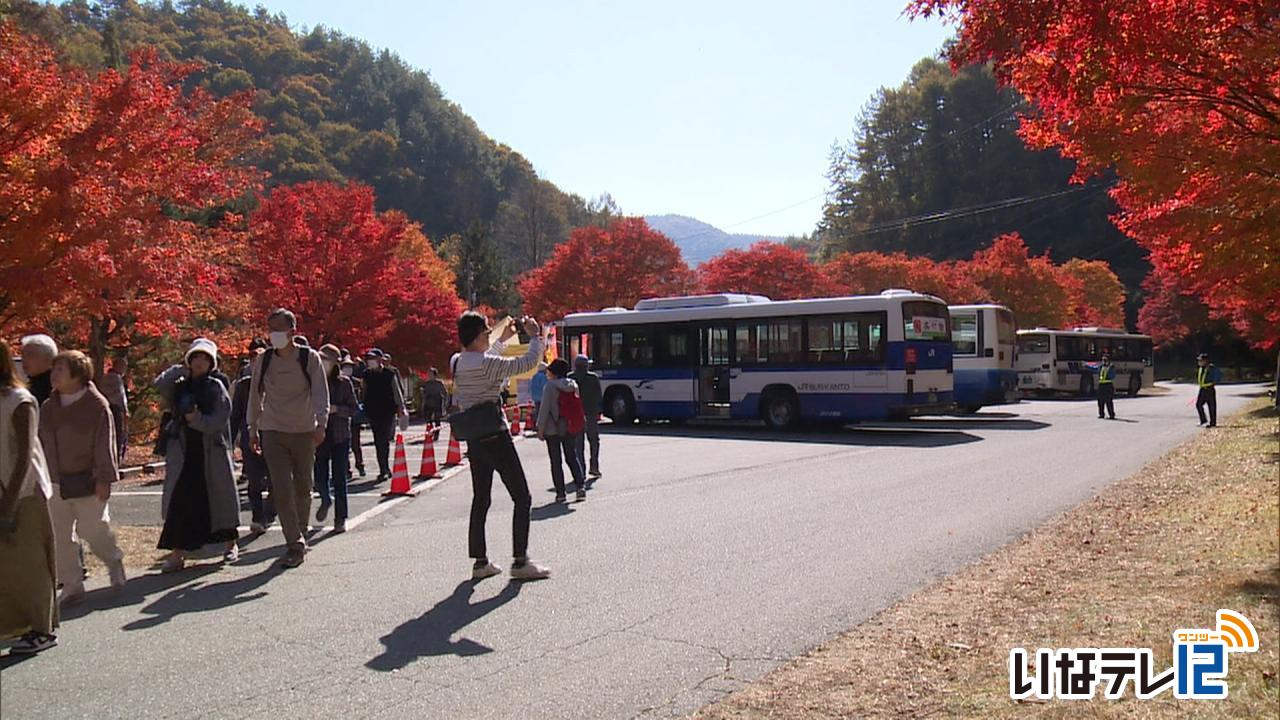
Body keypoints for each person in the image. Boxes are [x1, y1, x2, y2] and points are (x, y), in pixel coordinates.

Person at [451, 313, 550, 581]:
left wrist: (503, 340)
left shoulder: (457, 362)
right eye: (485, 332)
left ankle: (480, 561)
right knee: (522, 496)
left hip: (474, 436)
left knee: (481, 498)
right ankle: (520, 561)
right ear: (476, 336)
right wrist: (534, 335)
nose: (488, 335)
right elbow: (528, 363)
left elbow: (485, 358)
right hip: (496, 434)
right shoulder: (488, 364)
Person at [38, 350, 125, 604]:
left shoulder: (96, 405)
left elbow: (104, 444)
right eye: (54, 370)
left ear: (77, 374)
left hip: (88, 479)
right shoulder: (48, 406)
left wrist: (104, 478)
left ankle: (113, 559)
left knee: (93, 529)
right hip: (55, 480)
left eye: (60, 370)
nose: (54, 375)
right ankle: (72, 583)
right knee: (60, 535)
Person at [247, 309, 329, 569]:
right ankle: (294, 543)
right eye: (270, 329)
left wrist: (321, 423)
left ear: (292, 331)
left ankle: (300, 533)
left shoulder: (308, 358)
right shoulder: (265, 360)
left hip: (304, 430)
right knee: (281, 488)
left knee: (304, 486)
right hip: (272, 430)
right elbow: (255, 393)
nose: (274, 334)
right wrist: (252, 427)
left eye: (278, 329)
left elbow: (319, 392)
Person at [153, 339, 241, 571]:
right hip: (183, 451)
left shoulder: (215, 386)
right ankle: (177, 553)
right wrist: (182, 368)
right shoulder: (181, 385)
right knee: (180, 503)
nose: (200, 362)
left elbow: (220, 419)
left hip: (211, 451)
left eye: (205, 358)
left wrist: (198, 420)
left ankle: (230, 545)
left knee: (219, 500)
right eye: (195, 357)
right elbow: (160, 384)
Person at [0, 339, 59, 654]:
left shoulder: (19, 401)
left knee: (30, 563)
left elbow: (24, 455)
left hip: (23, 493)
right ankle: (12, 626)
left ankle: (41, 629)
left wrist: (8, 505)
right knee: (6, 565)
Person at [314, 345, 359, 533]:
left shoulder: (344, 383)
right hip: (318, 434)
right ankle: (325, 498)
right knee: (319, 474)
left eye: (327, 360)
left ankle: (340, 518)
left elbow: (354, 408)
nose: (324, 363)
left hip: (340, 435)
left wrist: (337, 409)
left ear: (335, 364)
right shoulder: (313, 382)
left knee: (340, 477)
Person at [231, 339, 273, 533]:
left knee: (275, 478)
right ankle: (258, 517)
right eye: (252, 358)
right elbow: (236, 414)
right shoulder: (243, 385)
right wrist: (231, 440)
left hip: (274, 436)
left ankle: (272, 510)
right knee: (254, 479)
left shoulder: (277, 383)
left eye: (260, 358)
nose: (256, 362)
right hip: (251, 436)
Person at [536, 359, 587, 502]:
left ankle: (561, 493)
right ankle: (580, 486)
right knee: (571, 456)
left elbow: (544, 409)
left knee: (556, 461)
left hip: (552, 429)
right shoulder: (573, 384)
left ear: (554, 372)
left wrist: (540, 428)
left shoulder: (550, 387)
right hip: (569, 426)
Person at [361, 348, 407, 483]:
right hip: (373, 410)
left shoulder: (389, 373)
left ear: (380, 359)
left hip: (388, 410)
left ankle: (385, 468)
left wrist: (401, 407)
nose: (370, 361)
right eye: (369, 359)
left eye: (373, 358)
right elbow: (364, 391)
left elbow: (396, 390)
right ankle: (383, 468)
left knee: (384, 439)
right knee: (378, 440)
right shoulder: (366, 374)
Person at [569, 354, 603, 480]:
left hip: (576, 414)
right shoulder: (593, 378)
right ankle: (594, 466)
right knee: (594, 440)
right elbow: (598, 396)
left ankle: (580, 471)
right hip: (591, 413)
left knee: (578, 443)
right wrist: (599, 410)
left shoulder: (570, 377)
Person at [95, 356, 129, 463]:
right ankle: (115, 460)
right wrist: (125, 411)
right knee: (118, 434)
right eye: (123, 366)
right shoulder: (116, 379)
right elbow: (120, 398)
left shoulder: (104, 378)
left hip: (103, 409)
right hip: (115, 409)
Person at [20, 334, 57, 405]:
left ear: (48, 358)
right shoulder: (31, 386)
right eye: (23, 355)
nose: (24, 359)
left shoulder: (56, 388)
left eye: (29, 355)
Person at [346, 351, 367, 478]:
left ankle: (360, 465)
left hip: (354, 417)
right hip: (341, 418)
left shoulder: (357, 382)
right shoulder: (336, 381)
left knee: (355, 443)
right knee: (343, 444)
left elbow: (362, 398)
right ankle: (346, 468)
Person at [1195, 352, 1222, 428]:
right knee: (1198, 404)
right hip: (1202, 389)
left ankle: (1213, 423)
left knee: (1211, 406)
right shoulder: (1201, 368)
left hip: (1209, 389)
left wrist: (1214, 382)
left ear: (1206, 361)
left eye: (1201, 360)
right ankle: (1203, 420)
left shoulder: (1211, 368)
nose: (1199, 362)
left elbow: (1219, 375)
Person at [1096, 354, 1117, 420]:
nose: (1104, 361)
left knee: (1108, 401)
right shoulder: (1101, 366)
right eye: (1103, 360)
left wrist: (1110, 369)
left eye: (1105, 360)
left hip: (1108, 385)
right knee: (1100, 400)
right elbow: (1095, 369)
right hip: (1101, 385)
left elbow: (1113, 376)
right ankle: (1101, 414)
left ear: (1108, 360)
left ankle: (1111, 414)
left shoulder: (1111, 367)